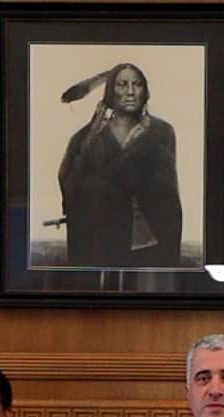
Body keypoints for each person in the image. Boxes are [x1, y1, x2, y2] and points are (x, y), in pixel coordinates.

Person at [56, 62, 183, 268]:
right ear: (110, 92)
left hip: (147, 245)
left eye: (137, 84)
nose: (130, 92)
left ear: (145, 91)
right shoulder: (86, 137)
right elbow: (70, 182)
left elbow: (168, 195)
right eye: (122, 85)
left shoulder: (162, 132)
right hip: (99, 243)